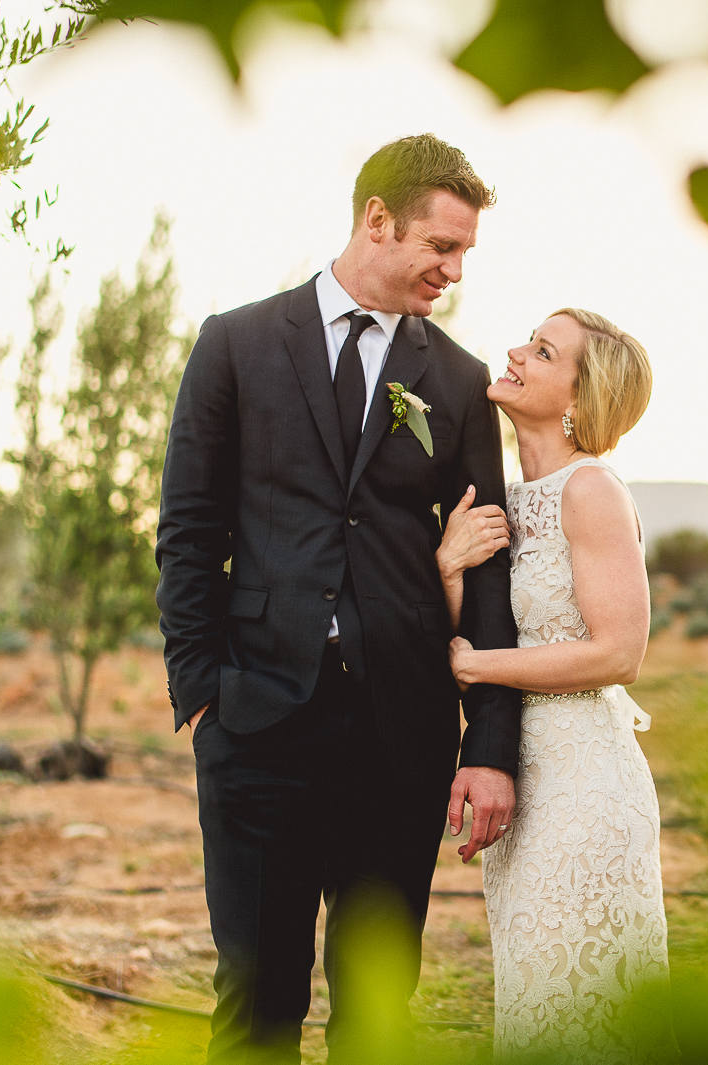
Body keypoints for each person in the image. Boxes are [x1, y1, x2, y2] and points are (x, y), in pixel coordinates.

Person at [154, 134, 521, 1064]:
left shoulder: (462, 380)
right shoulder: (234, 344)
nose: (453, 268)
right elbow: (189, 531)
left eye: (466, 252)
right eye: (441, 246)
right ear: (376, 220)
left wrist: (487, 745)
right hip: (257, 721)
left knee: (376, 1005)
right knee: (258, 994)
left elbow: (489, 571)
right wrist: (202, 691)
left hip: (401, 732)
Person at [436, 308, 675, 1062]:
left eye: (542, 351)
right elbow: (474, 627)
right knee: (537, 1006)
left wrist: (478, 668)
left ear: (578, 396)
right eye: (528, 341)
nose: (515, 353)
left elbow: (618, 652)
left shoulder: (592, 490)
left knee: (583, 1008)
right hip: (523, 782)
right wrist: (447, 567)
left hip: (586, 790)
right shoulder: (506, 496)